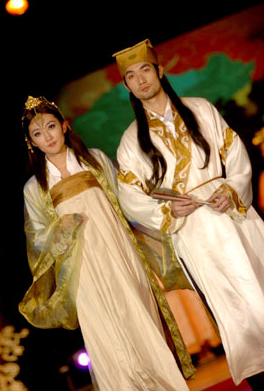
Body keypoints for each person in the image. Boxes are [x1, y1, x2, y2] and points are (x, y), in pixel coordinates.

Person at [113, 39, 264, 390]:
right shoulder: (131, 141)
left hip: (233, 216)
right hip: (194, 233)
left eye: (146, 70)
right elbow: (130, 197)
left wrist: (231, 189)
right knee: (234, 311)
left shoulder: (201, 108)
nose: (141, 80)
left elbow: (235, 152)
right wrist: (166, 210)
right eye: (131, 76)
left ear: (160, 71)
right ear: (127, 86)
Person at [18, 95, 194, 391]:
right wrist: (61, 227)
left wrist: (163, 199)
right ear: (31, 142)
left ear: (64, 126)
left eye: (50, 126)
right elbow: (37, 240)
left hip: (121, 255)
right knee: (105, 333)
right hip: (83, 270)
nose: (47, 136)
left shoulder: (95, 160)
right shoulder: (35, 188)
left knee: (139, 318)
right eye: (38, 133)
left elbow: (127, 199)